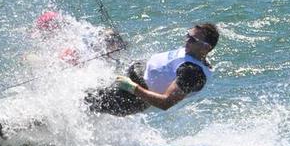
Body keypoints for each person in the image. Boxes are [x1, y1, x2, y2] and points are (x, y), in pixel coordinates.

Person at [85, 22, 219, 116]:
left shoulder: (192, 73)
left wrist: (132, 87)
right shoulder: (193, 53)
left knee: (83, 100)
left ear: (206, 48)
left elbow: (165, 102)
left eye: (192, 39)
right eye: (188, 35)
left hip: (130, 96)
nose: (186, 40)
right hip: (131, 75)